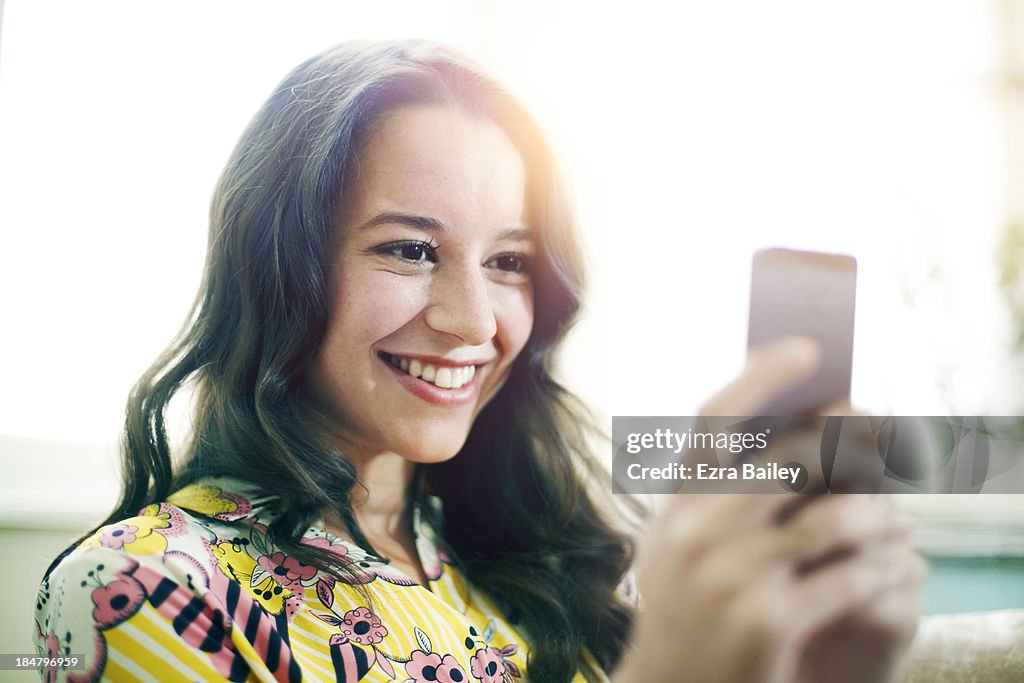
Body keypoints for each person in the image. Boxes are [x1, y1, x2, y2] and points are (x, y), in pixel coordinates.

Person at [33, 40, 925, 683]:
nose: (472, 323)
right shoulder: (140, 591)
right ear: (277, 268)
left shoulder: (551, 567)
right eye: (409, 250)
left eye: (509, 262)